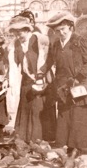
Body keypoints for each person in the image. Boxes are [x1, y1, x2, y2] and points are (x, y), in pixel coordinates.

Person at [39, 11, 87, 154]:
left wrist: (77, 78)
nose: (60, 33)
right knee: (64, 112)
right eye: (57, 31)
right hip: (62, 84)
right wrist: (42, 70)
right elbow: (50, 60)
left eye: (63, 29)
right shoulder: (56, 44)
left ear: (70, 27)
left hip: (79, 82)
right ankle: (65, 142)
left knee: (77, 114)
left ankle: (77, 145)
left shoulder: (80, 41)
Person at [6, 12, 56, 143]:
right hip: (27, 82)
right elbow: (13, 64)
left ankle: (39, 139)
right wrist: (7, 79)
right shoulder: (16, 44)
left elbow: (48, 58)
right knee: (26, 108)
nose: (18, 36)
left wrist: (40, 75)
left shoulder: (39, 39)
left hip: (42, 81)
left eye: (20, 32)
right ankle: (25, 138)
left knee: (37, 110)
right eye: (15, 33)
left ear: (27, 29)